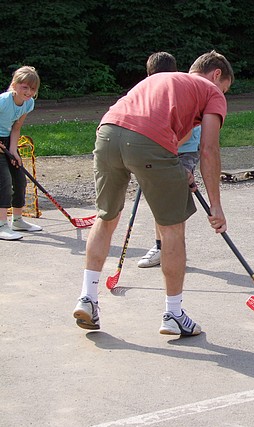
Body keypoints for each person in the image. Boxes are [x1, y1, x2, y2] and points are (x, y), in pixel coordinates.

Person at [72, 50, 234, 336]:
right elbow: (209, 149)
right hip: (146, 141)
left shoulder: (163, 80)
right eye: (225, 89)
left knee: (106, 217)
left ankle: (88, 298)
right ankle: (173, 314)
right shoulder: (211, 91)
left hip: (107, 132)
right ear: (216, 74)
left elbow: (174, 135)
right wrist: (216, 205)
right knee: (172, 229)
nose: (223, 95)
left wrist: (175, 170)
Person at [136, 52, 203, 269]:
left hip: (184, 151)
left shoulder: (180, 92)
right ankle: (162, 247)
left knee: (172, 201)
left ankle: (172, 249)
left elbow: (187, 131)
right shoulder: (152, 93)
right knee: (160, 199)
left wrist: (159, 150)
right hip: (163, 150)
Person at [0, 66, 42, 241]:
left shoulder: (28, 103)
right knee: (4, 181)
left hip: (8, 140)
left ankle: (17, 221)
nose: (29, 92)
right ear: (14, 85)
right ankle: (1, 224)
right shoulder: (3, 101)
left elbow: (16, 128)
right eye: (25, 87)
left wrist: (13, 150)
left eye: (32, 88)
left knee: (19, 180)